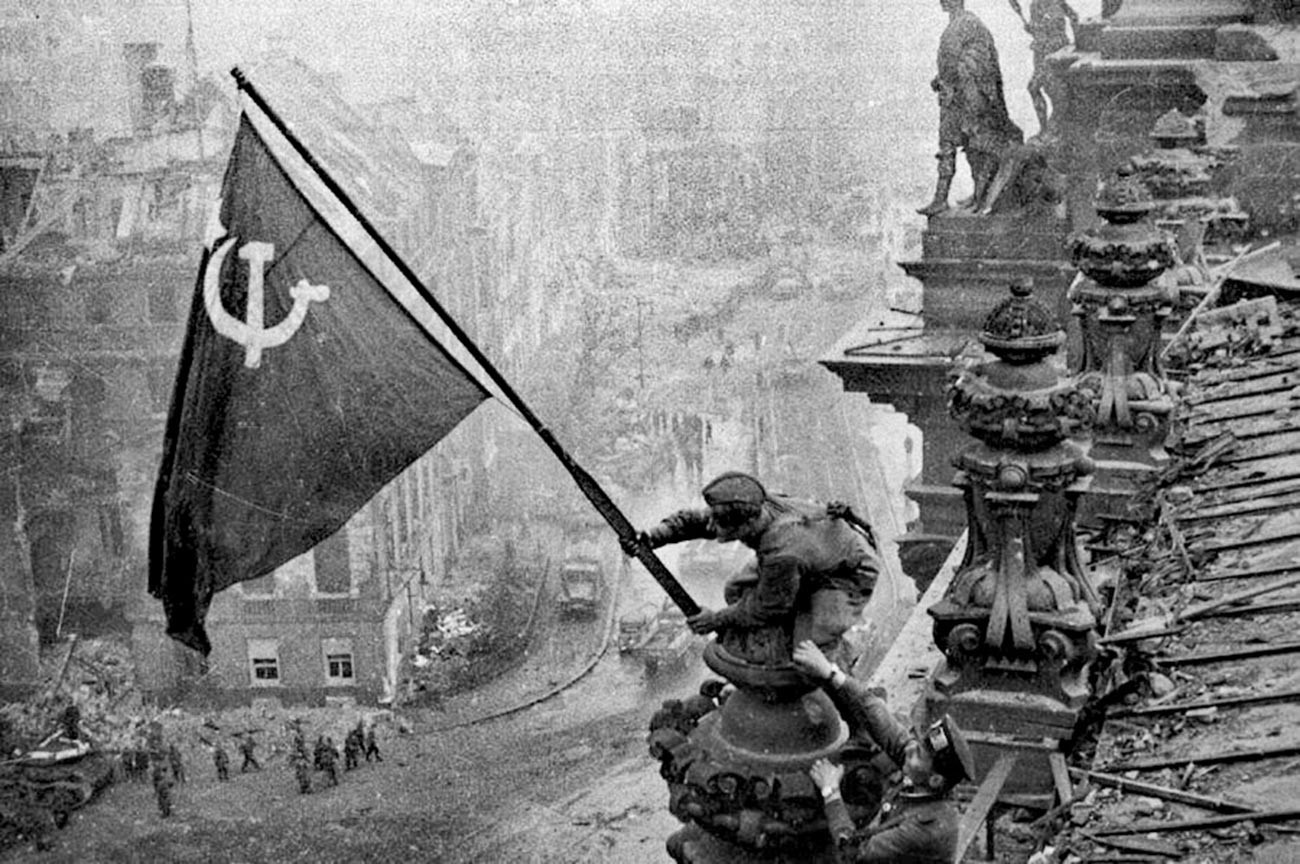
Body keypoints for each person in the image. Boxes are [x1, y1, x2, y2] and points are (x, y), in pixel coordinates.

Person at [626, 471, 882, 665]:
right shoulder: (757, 507)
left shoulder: (783, 551)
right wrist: (652, 537)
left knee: (807, 656)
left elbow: (768, 605)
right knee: (736, 589)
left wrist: (716, 619)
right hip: (815, 553)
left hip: (847, 572)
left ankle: (841, 665)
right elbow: (699, 521)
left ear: (745, 525)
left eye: (722, 526)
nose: (713, 529)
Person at [793, 640, 975, 864]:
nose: (909, 750)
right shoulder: (924, 778)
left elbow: (852, 854)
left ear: (936, 780)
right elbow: (878, 716)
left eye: (918, 754)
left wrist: (830, 792)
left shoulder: (927, 828)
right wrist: (831, 673)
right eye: (916, 746)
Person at [918, 0, 1024, 216]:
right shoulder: (966, 23)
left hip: (963, 98)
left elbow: (953, 62)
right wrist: (941, 79)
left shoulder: (963, 24)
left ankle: (945, 199)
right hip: (964, 95)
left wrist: (943, 81)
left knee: (954, 146)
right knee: (968, 147)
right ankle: (975, 194)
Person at [1023, 0, 1079, 138]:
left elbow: (1074, 17)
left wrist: (1078, 41)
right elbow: (1038, 32)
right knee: (1034, 88)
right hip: (1041, 52)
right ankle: (1045, 128)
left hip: (1056, 52)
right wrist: (1032, 28)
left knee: (1054, 91)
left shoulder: (1058, 2)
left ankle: (1054, 128)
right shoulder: (1035, 5)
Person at [149, 752, 174, 819]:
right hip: (166, 791)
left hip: (163, 793)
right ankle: (167, 812)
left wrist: (155, 793)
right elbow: (171, 783)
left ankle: (165, 813)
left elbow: (158, 788)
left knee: (163, 803)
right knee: (167, 802)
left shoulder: (161, 778)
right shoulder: (166, 775)